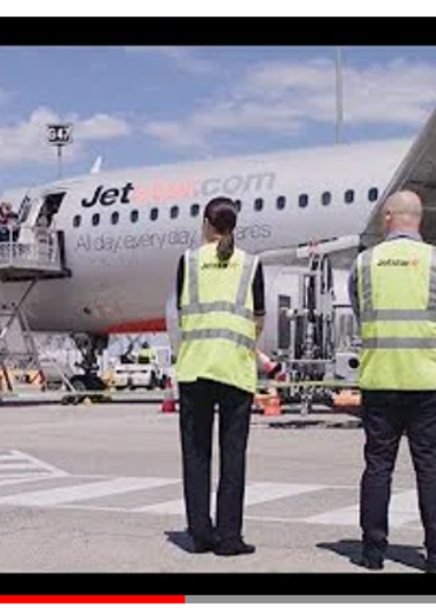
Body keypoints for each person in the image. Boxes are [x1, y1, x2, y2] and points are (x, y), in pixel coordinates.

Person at [347, 190, 436, 573]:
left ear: (387, 218)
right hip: (430, 379)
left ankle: (372, 552)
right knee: (430, 467)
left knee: (378, 465)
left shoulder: (364, 264)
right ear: (419, 220)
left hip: (380, 378)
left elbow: (359, 310)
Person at [173, 196, 265, 556]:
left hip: (195, 368)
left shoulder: (188, 261)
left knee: (196, 456)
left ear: (206, 224)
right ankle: (229, 538)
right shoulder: (250, 263)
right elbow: (258, 318)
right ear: (232, 226)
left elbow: (183, 314)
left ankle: (199, 534)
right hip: (235, 370)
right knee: (233, 456)